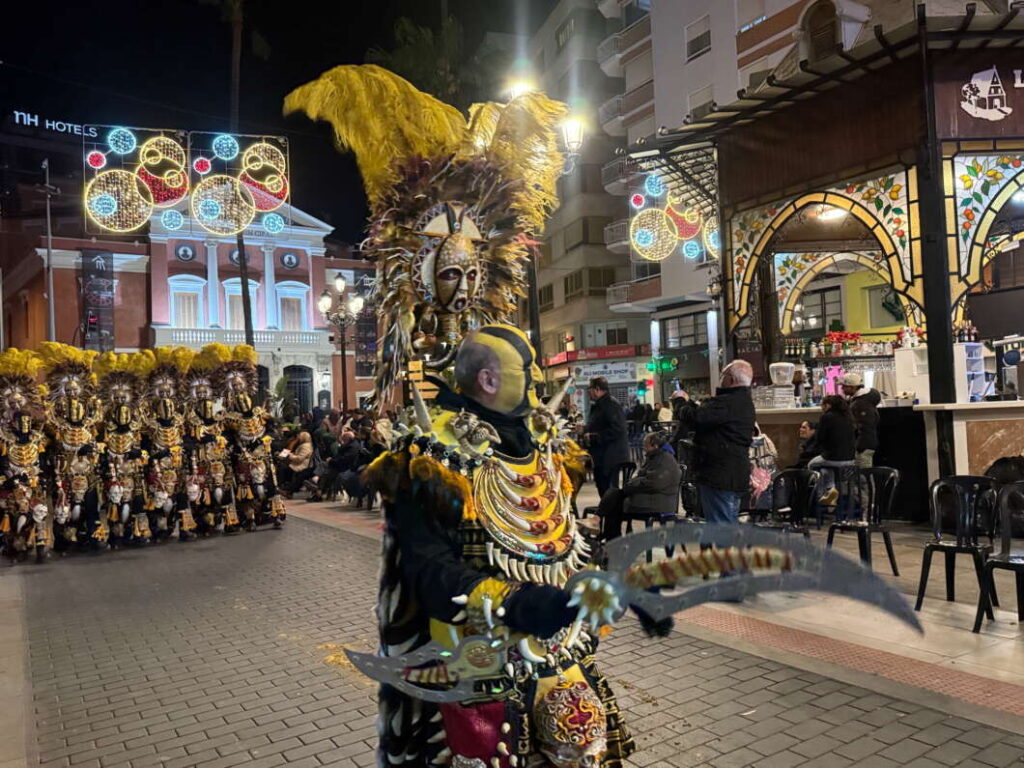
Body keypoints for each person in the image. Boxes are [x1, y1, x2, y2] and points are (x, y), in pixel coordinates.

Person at [363, 324, 634, 766]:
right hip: (477, 667)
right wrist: (520, 602)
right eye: (527, 369)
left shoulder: (545, 442)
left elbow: (558, 535)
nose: (538, 380)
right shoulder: (432, 457)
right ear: (489, 381)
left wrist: (591, 581)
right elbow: (429, 570)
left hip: (561, 656)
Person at [677, 360, 755, 524]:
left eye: (723, 375)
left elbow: (697, 418)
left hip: (719, 475)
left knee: (721, 529)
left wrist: (681, 403)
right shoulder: (743, 401)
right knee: (727, 524)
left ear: (731, 379)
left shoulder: (727, 402)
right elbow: (706, 416)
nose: (721, 379)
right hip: (733, 473)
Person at [597, 431, 681, 542]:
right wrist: (635, 482)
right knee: (615, 499)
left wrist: (632, 484)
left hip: (658, 503)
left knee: (615, 497)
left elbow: (654, 483)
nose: (643, 448)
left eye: (645, 445)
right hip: (650, 498)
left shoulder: (665, 460)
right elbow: (643, 478)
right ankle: (611, 537)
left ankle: (604, 529)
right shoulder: (655, 457)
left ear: (654, 445)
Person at [583, 376, 631, 497]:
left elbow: (618, 429)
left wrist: (594, 437)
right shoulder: (598, 405)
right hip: (601, 457)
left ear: (597, 389)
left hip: (610, 457)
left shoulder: (610, 405)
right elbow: (598, 425)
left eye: (590, 389)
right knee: (602, 489)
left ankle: (611, 515)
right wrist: (585, 430)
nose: (588, 392)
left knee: (609, 492)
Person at [808, 395, 856, 506]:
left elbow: (820, 438)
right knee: (826, 470)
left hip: (832, 457)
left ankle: (823, 498)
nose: (821, 408)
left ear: (828, 405)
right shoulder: (848, 416)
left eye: (822, 405)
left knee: (812, 465)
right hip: (850, 459)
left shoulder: (827, 417)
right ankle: (831, 490)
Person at [842, 372, 880, 469]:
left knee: (864, 475)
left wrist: (860, 446)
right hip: (866, 443)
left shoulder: (861, 404)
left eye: (844, 386)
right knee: (862, 474)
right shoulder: (860, 400)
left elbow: (866, 426)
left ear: (852, 387)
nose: (842, 388)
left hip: (864, 445)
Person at [279, 431, 314, 496]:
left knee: (282, 469)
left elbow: (299, 458)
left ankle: (281, 486)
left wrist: (290, 455)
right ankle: (284, 486)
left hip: (299, 465)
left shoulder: (304, 446)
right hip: (295, 462)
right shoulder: (302, 444)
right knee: (282, 467)